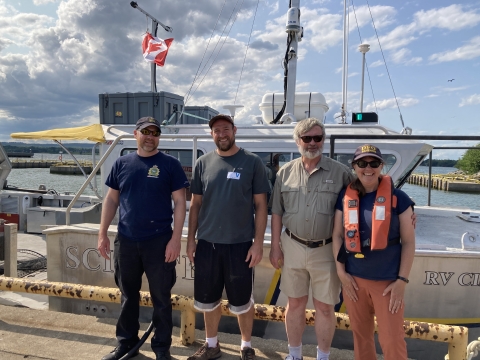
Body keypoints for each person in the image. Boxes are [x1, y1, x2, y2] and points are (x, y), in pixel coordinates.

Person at [98, 116, 189, 360]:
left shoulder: (170, 164)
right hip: (126, 240)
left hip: (159, 241)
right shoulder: (122, 163)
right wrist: (102, 234)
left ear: (159, 137)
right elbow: (111, 199)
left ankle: (162, 349)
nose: (150, 136)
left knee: (161, 297)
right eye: (145, 131)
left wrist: (175, 240)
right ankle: (126, 342)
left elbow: (180, 202)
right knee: (128, 295)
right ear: (135, 134)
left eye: (155, 132)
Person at [186, 114, 271, 360]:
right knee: (208, 300)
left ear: (234, 130)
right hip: (208, 244)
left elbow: (261, 205)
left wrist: (258, 244)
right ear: (211, 134)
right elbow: (196, 205)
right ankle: (212, 345)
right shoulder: (203, 163)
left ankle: (246, 346)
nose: (221, 134)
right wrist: (191, 240)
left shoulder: (252, 162)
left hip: (241, 245)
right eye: (216, 130)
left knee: (243, 301)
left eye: (225, 129)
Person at [269, 118, 354, 360]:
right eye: (307, 138)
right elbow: (276, 212)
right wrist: (275, 247)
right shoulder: (284, 172)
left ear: (323, 140)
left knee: (325, 308)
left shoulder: (341, 173)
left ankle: (322, 357)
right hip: (292, 245)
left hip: (326, 249)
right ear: (298, 141)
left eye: (318, 138)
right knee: (294, 304)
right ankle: (294, 355)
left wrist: (402, 212)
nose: (313, 143)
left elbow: (362, 200)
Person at [331, 144, 415, 360]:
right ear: (354, 167)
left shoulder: (400, 199)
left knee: (391, 339)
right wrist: (341, 273)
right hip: (354, 282)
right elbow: (338, 236)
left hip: (387, 284)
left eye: (374, 163)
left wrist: (402, 281)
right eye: (362, 163)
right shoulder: (345, 196)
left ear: (381, 166)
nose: (368, 168)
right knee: (361, 336)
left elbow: (408, 242)